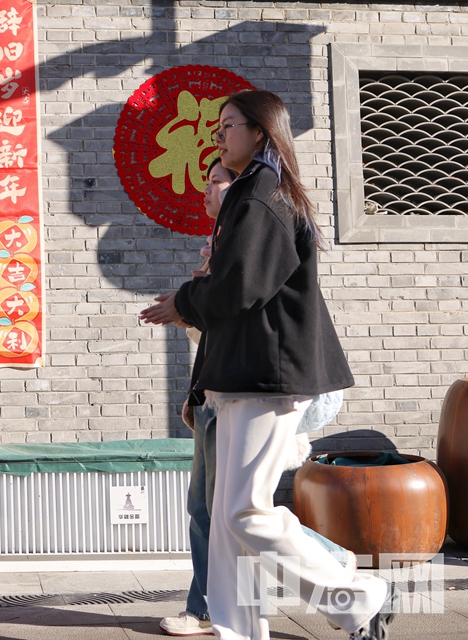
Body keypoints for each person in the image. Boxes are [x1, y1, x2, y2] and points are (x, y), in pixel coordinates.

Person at [141, 90, 396, 640]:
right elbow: (235, 291)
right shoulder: (251, 197)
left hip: (268, 376)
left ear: (260, 132)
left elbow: (241, 287)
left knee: (243, 514)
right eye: (218, 126)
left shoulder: (262, 195)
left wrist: (183, 301)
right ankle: (238, 630)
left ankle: (357, 594)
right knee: (230, 526)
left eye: (229, 125)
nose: (218, 135)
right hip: (239, 377)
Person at [151, 159, 354, 638]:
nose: (208, 192)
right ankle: (229, 617)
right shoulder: (222, 248)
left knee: (238, 513)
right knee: (213, 513)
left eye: (218, 181)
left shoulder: (264, 214)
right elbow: (221, 328)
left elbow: (246, 306)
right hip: (219, 393)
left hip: (257, 392)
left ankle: (335, 569)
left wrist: (192, 300)